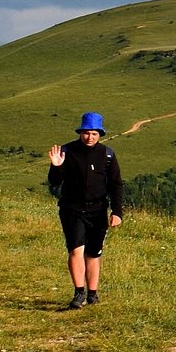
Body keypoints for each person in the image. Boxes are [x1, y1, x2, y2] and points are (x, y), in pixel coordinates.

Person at [48, 112, 122, 309]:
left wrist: (117, 212)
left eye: (94, 134)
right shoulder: (67, 151)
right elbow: (55, 182)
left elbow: (116, 184)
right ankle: (78, 292)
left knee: (94, 253)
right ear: (80, 132)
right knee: (76, 249)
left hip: (98, 210)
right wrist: (55, 167)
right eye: (87, 133)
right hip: (71, 209)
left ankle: (92, 293)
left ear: (100, 134)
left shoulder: (107, 155)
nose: (90, 137)